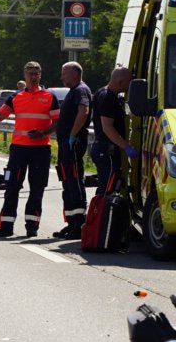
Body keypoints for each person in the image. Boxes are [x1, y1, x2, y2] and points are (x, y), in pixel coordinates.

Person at [0, 60, 60, 238]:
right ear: (24, 75)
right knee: (12, 187)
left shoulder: (49, 96)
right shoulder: (15, 97)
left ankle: (32, 226)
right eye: (30, 73)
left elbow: (57, 122)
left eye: (36, 73)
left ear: (40, 75)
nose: (33, 77)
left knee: (37, 189)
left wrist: (42, 133)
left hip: (41, 150)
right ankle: (6, 226)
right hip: (19, 149)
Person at [51, 61, 92, 238]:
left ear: (75, 74)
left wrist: (73, 134)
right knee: (67, 182)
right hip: (65, 144)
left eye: (64, 73)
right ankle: (71, 222)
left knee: (75, 182)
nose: (62, 77)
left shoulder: (81, 90)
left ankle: (79, 224)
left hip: (73, 144)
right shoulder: (73, 91)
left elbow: (83, 112)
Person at [91, 66, 138, 197]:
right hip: (106, 150)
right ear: (120, 82)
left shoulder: (101, 93)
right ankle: (101, 215)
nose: (130, 85)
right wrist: (126, 146)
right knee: (107, 188)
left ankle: (102, 214)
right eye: (129, 81)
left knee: (107, 186)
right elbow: (107, 127)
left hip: (102, 148)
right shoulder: (108, 98)